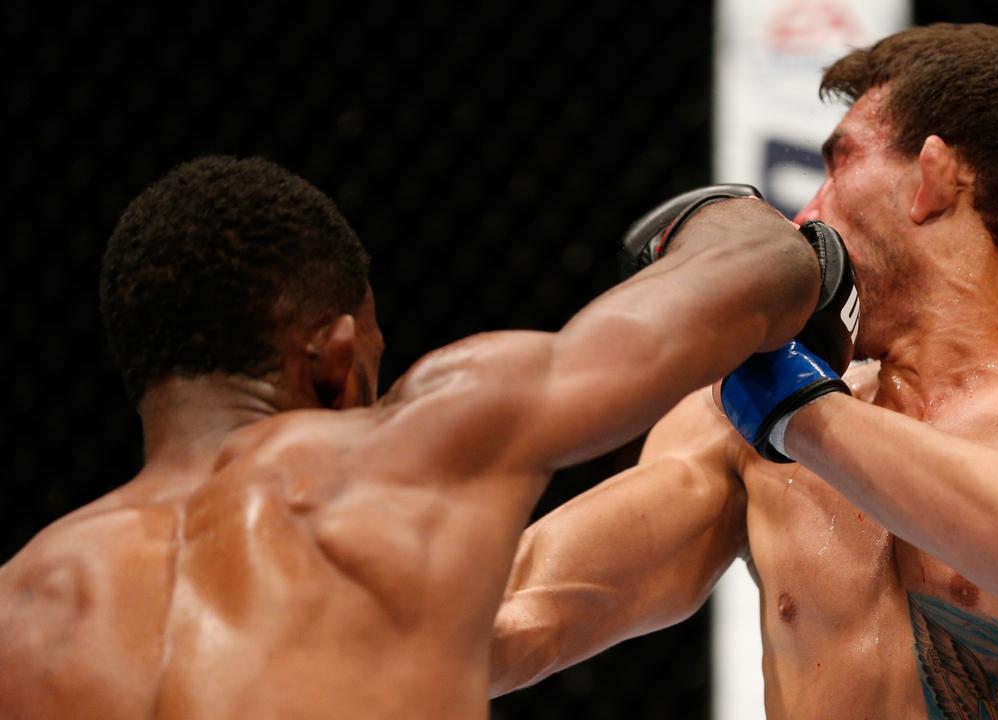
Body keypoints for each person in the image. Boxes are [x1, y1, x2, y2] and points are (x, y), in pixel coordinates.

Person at [489, 23, 998, 718]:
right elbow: (524, 610)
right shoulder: (743, 426)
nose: (805, 215)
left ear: (934, 178)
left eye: (839, 161)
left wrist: (805, 412)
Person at [0, 157, 846, 719]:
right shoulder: (409, 451)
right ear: (336, 360)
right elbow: (756, 274)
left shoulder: (24, 600)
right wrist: (725, 214)